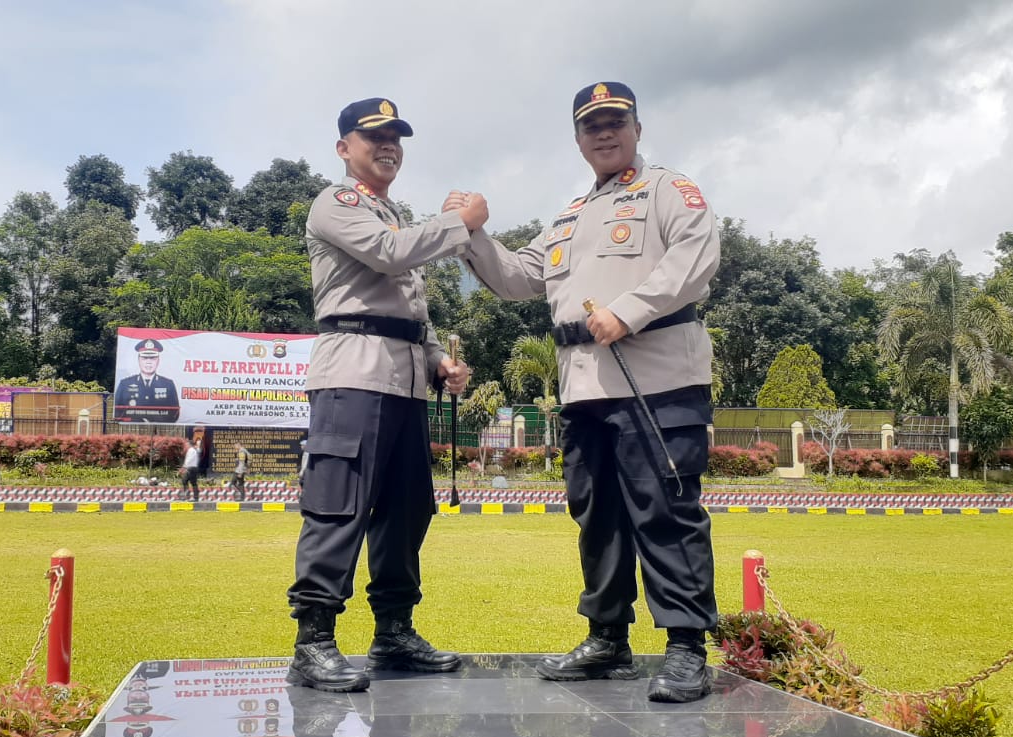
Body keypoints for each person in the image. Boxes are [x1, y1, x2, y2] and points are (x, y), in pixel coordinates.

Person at [456, 81, 721, 703]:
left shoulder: (667, 190)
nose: (604, 133)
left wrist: (629, 310)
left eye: (614, 121)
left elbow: (696, 256)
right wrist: (471, 232)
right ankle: (608, 638)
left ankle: (686, 647)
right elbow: (520, 276)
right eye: (591, 126)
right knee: (596, 515)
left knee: (666, 511)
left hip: (656, 378)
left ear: (636, 127)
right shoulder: (571, 214)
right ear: (578, 138)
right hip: (585, 388)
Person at [285, 97, 480, 693]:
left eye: (396, 136)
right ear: (345, 148)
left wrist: (437, 360)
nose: (388, 145)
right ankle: (313, 641)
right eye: (374, 137)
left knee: (405, 510)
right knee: (339, 505)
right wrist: (463, 221)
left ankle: (393, 632)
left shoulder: (393, 213)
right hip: (351, 375)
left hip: (401, 382)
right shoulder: (339, 203)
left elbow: (399, 316)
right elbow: (388, 257)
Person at [115, 338, 180, 422]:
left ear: (158, 360)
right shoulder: (125, 384)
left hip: (159, 431)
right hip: (132, 431)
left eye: (153, 358)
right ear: (138, 360)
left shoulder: (168, 384)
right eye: (144, 358)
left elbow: (175, 411)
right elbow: (117, 409)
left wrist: (158, 423)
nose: (148, 362)